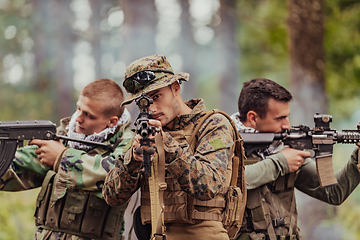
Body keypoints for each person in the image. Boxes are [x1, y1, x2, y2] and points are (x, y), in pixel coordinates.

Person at [102, 54, 245, 240]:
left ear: (175, 87)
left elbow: (208, 186)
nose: (151, 109)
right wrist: (133, 161)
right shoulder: (145, 132)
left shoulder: (213, 124)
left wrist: (166, 144)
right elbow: (112, 197)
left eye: (157, 96)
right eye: (143, 102)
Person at [0, 78, 134, 240]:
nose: (78, 118)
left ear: (111, 122)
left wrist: (61, 158)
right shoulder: (65, 137)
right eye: (78, 109)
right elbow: (17, 165)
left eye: (88, 115)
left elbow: (113, 175)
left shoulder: (128, 143)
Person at [231, 78, 360, 240]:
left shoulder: (284, 146)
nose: (287, 124)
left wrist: (356, 161)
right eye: (279, 118)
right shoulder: (225, 144)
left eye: (287, 117)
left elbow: (334, 193)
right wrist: (280, 163)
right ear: (253, 118)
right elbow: (225, 181)